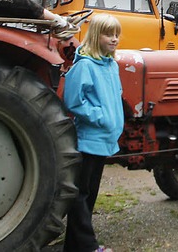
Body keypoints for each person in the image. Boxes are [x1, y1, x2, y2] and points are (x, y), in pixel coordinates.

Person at [63, 14, 123, 252]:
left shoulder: (111, 65)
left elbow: (114, 98)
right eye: (110, 34)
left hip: (104, 139)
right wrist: (101, 117)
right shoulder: (85, 66)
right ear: (97, 36)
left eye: (117, 34)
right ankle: (88, 246)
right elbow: (74, 102)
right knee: (80, 195)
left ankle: (73, 247)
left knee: (89, 195)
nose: (115, 39)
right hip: (90, 138)